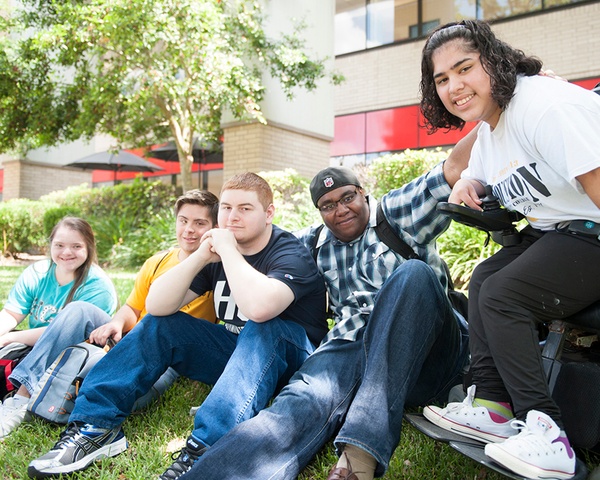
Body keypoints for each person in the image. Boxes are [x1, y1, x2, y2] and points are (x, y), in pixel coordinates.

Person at [174, 127, 477, 480]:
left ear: (364, 194)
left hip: (428, 353)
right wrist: (218, 240)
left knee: (413, 274)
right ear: (319, 212)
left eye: (348, 197)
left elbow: (453, 167)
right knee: (298, 401)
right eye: (328, 206)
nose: (341, 210)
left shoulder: (395, 214)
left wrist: (496, 110)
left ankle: (359, 454)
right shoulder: (312, 244)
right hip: (354, 349)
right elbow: (262, 242)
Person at [27, 172, 328, 480]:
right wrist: (199, 257)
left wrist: (228, 252)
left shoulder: (289, 253)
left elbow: (260, 310)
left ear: (269, 213)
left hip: (292, 361)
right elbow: (156, 306)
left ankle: (205, 448)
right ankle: (95, 426)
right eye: (225, 208)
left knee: (264, 328)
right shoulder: (214, 254)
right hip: (240, 358)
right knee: (162, 324)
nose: (232, 217)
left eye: (244, 209)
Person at [418, 20, 600, 480]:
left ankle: (550, 432)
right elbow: (483, 172)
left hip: (592, 231)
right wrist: (469, 186)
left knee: (504, 293)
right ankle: (494, 407)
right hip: (561, 231)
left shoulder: (543, 106)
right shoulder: (491, 125)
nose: (454, 86)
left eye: (464, 68)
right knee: (483, 281)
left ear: (494, 62)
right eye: (442, 79)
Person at [0, 217, 118, 439]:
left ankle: (20, 401)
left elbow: (63, 331)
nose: (67, 252)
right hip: (35, 347)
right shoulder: (38, 273)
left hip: (74, 351)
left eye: (76, 246)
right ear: (50, 245)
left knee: (72, 314)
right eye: (60, 245)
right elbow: (10, 314)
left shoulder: (98, 286)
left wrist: (7, 339)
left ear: (89, 248)